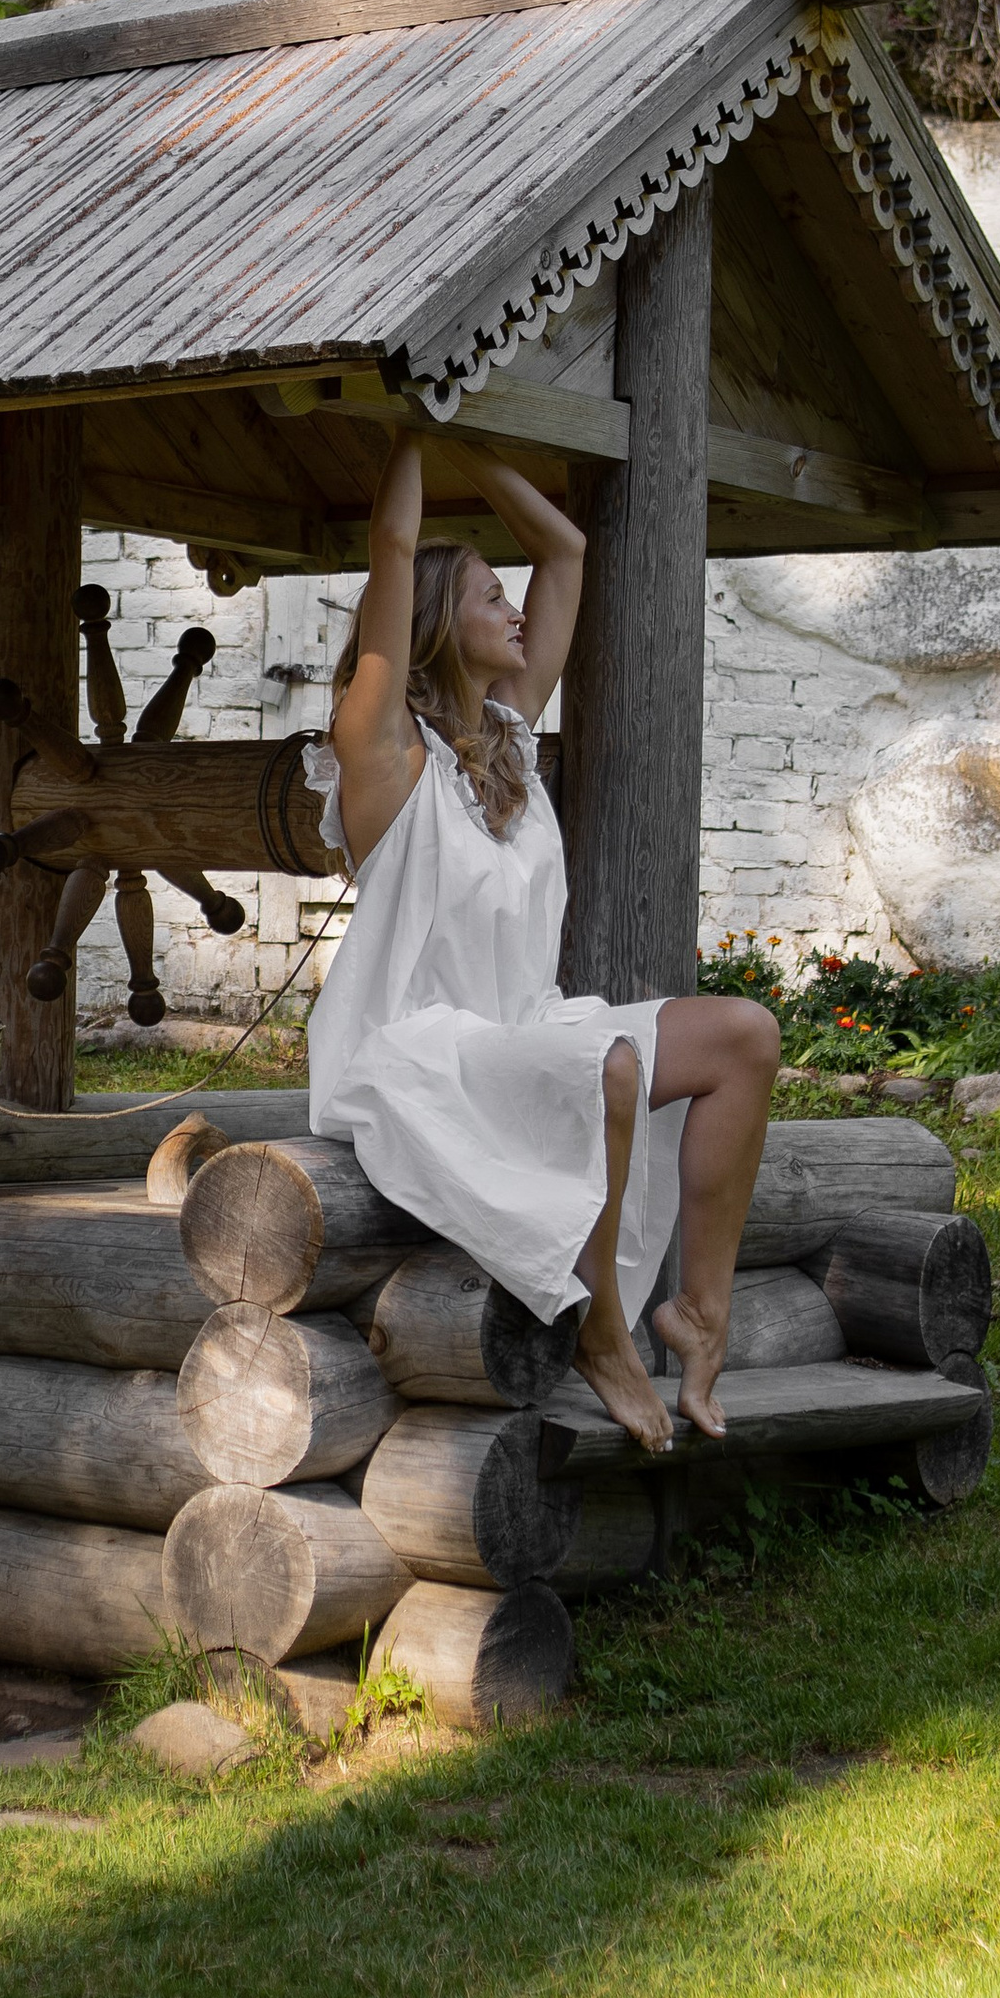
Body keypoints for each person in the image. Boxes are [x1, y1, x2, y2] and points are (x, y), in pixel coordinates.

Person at [301, 431, 780, 1450]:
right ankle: (602, 1332)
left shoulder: (508, 739)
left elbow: (562, 548)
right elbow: (391, 546)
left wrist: (472, 437)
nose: (514, 608)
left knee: (742, 1035)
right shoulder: (383, 758)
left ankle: (700, 1314)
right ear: (436, 624)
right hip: (419, 1048)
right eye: (486, 595)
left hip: (526, 1032)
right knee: (601, 1068)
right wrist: (412, 429)